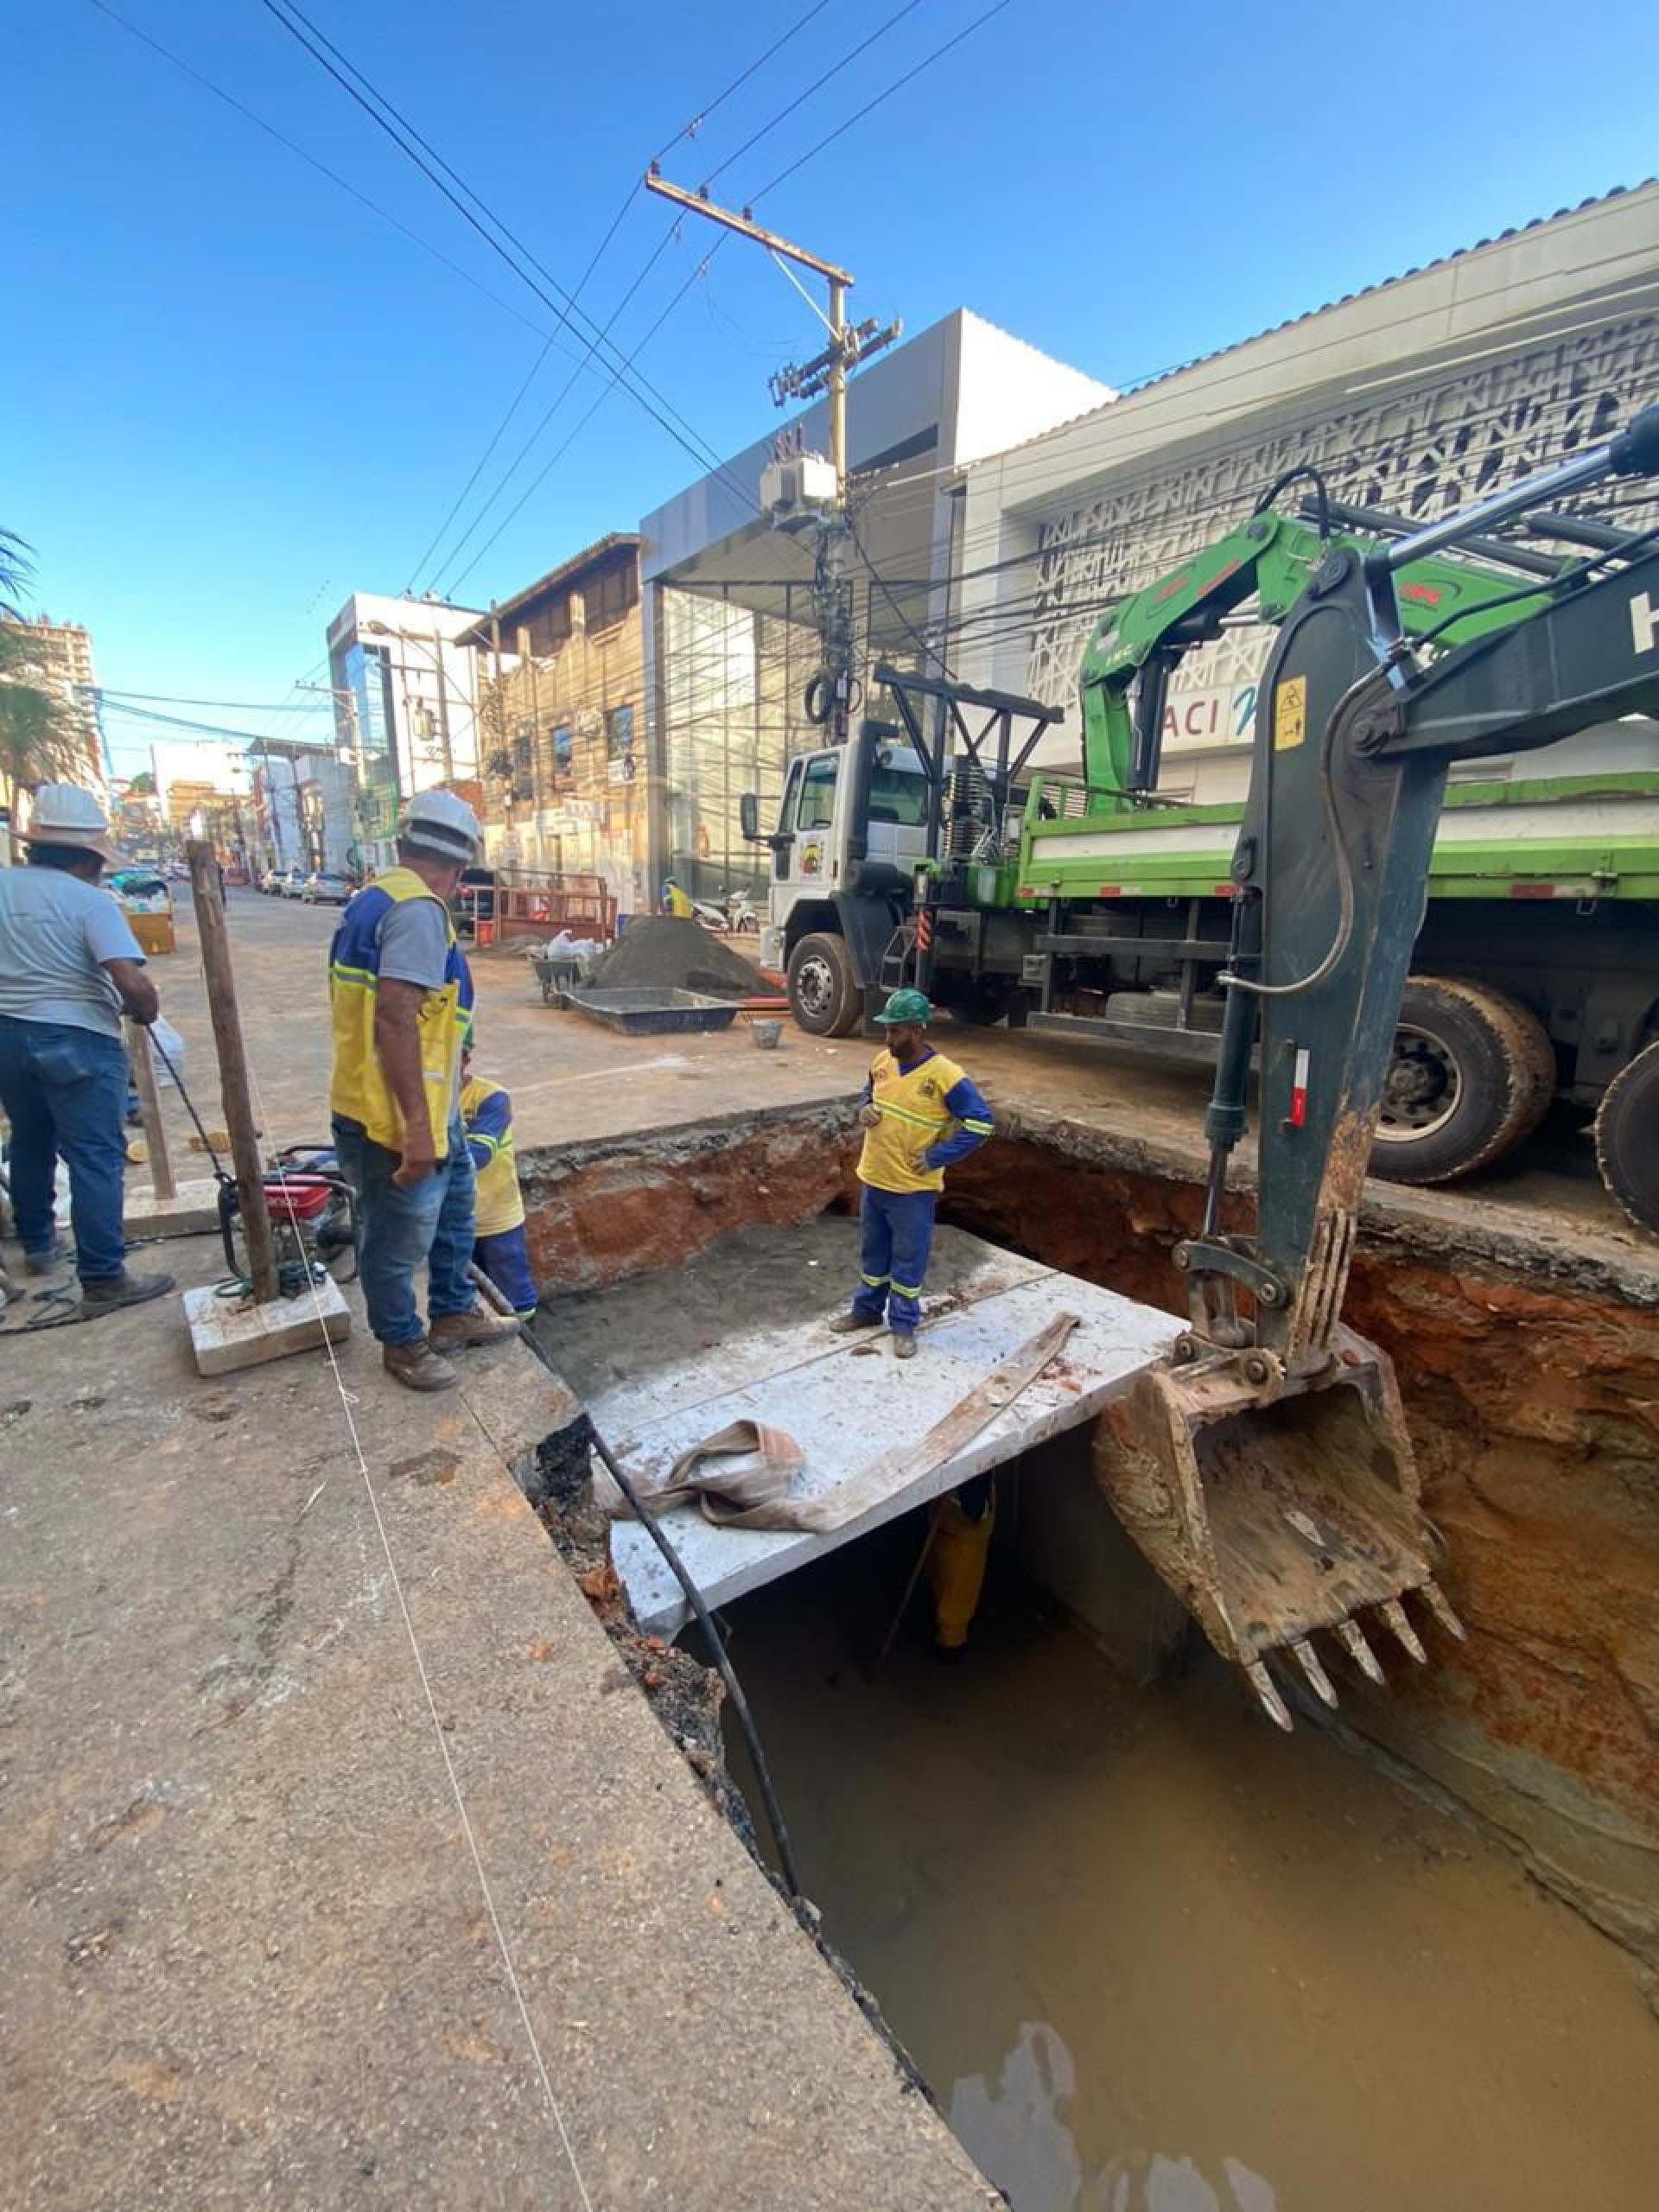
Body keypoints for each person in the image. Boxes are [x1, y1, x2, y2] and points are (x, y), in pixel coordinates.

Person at [327, 789, 518, 1391]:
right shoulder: (417, 911)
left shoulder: (379, 899)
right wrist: (414, 1126)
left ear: (406, 842)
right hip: (393, 1114)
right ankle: (403, 1343)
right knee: (395, 1233)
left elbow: (422, 1009)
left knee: (456, 1204)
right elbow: (393, 1017)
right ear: (462, 866)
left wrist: (454, 1050)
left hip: (431, 1106)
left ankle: (454, 1310)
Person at [0, 784, 174, 1313]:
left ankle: (39, 1246)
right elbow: (130, 980)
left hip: (7, 1033)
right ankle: (102, 1278)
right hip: (77, 1036)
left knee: (30, 1139)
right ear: (87, 856)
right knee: (95, 1155)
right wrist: (146, 1008)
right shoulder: (89, 901)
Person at [829, 988, 995, 1360]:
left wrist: (938, 1156)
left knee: (908, 1259)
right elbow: (867, 1093)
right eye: (888, 1030)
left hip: (913, 1190)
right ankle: (866, 1311)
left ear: (918, 1031)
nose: (889, 1038)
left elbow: (981, 1123)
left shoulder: (945, 1076)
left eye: (897, 1031)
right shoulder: (881, 1062)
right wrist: (864, 1108)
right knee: (874, 1256)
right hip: (875, 1178)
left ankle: (903, 1325)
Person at [460, 1042, 537, 1316]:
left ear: (465, 1059)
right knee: (467, 1292)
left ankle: (524, 1333)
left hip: (497, 1216)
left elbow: (478, 1155)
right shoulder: (416, 1100)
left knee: (514, 1290)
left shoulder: (491, 1097)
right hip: (453, 1221)